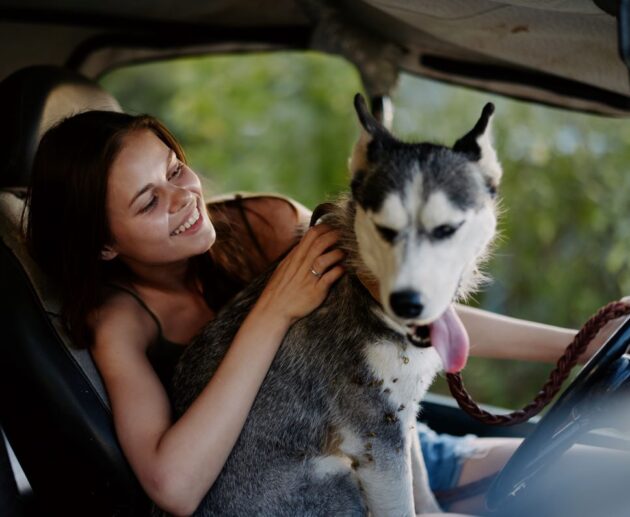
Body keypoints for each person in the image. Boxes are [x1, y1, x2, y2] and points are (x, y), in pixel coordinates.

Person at [25, 109, 626, 516]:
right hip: (311, 479)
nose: (185, 197)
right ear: (103, 242)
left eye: (176, 169)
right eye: (149, 200)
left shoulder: (263, 225)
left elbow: (414, 313)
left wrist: (584, 341)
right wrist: (273, 311)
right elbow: (174, 488)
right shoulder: (120, 322)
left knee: (612, 473)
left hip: (404, 441)